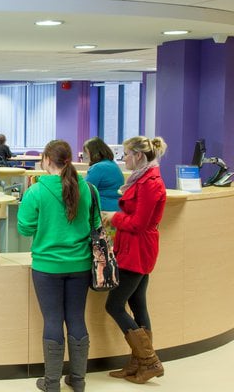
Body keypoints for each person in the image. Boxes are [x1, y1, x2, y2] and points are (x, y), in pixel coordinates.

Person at [17, 140, 97, 392]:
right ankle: (78, 380)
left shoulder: (36, 191)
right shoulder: (88, 188)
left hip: (47, 267)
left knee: (52, 320)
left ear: (47, 160)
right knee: (77, 318)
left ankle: (51, 383)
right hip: (81, 264)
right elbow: (95, 223)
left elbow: (24, 228)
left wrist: (45, 225)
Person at [101, 136, 167, 384]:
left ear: (138, 155)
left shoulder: (151, 183)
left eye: (126, 154)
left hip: (137, 250)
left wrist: (113, 217)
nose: (124, 158)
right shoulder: (142, 179)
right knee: (138, 304)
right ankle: (138, 363)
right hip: (134, 248)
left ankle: (149, 361)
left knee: (114, 305)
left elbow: (139, 223)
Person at [82, 137, 124, 212]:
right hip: (118, 207)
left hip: (103, 208)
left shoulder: (98, 167)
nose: (87, 156)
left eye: (87, 153)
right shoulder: (112, 164)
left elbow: (85, 190)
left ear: (93, 152)